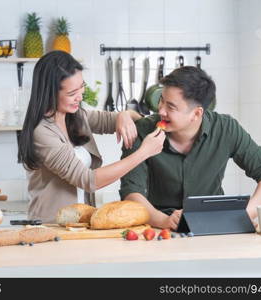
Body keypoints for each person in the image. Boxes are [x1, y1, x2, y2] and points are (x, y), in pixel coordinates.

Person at [119, 66, 261, 230]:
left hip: (215, 226)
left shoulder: (226, 128)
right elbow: (131, 192)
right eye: (161, 100)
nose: (160, 110)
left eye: (171, 107)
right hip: (158, 228)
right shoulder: (142, 130)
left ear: (196, 114)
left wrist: (243, 216)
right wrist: (164, 221)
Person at [18, 51, 165, 223]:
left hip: (78, 224)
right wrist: (143, 153)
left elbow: (116, 119)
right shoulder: (42, 133)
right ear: (50, 92)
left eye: (82, 87)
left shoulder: (77, 116)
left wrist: (124, 114)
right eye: (72, 93)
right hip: (51, 226)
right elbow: (88, 180)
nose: (79, 97)